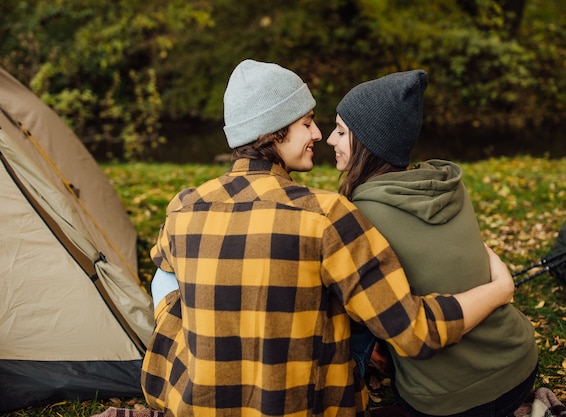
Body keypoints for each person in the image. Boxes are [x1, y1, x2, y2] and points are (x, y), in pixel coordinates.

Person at [140, 59, 516, 417]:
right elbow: (413, 332)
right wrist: (499, 289)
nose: (318, 135)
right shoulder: (326, 215)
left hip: (193, 404)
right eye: (307, 123)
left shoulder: (184, 208)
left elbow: (163, 277)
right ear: (273, 132)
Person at [326, 69, 538, 417]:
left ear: (368, 141)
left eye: (340, 131)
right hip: (521, 363)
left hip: (450, 401)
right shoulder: (448, 185)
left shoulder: (360, 215)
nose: (330, 140)